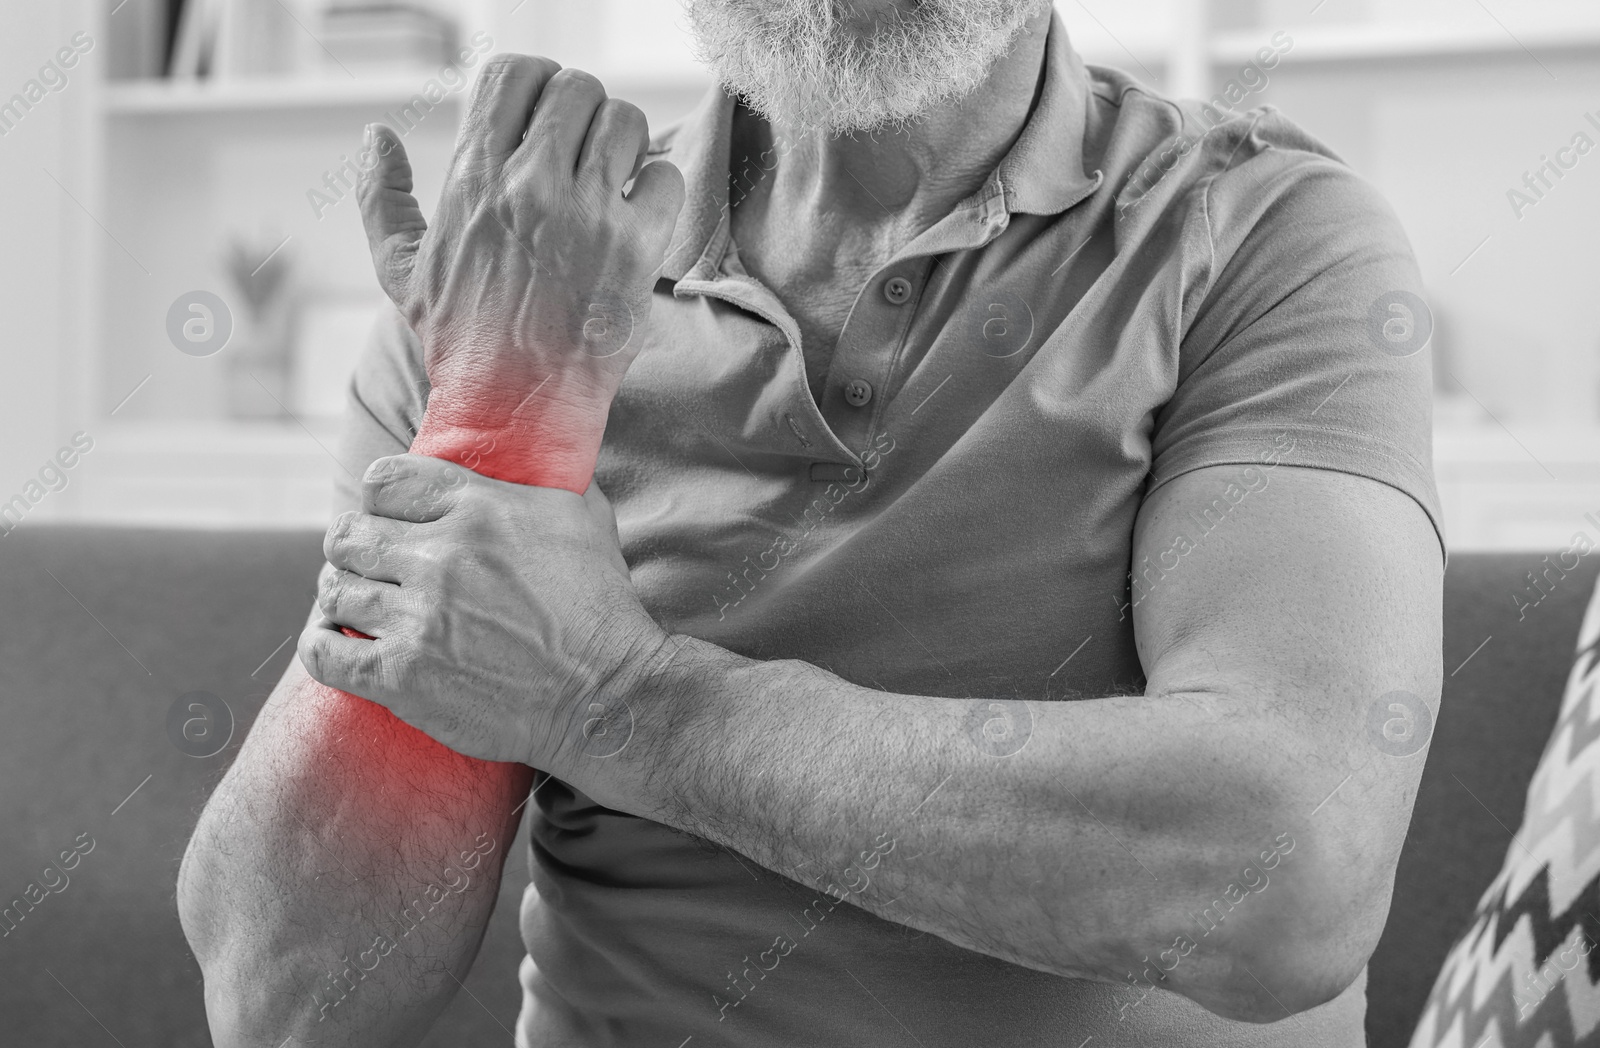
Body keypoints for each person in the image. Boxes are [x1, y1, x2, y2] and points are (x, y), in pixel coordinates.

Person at [176, 1, 1446, 1045]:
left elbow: (1281, 880)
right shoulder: (517, 282)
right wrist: (496, 414)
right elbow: (286, 1000)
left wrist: (613, 699)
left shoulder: (1260, 234)